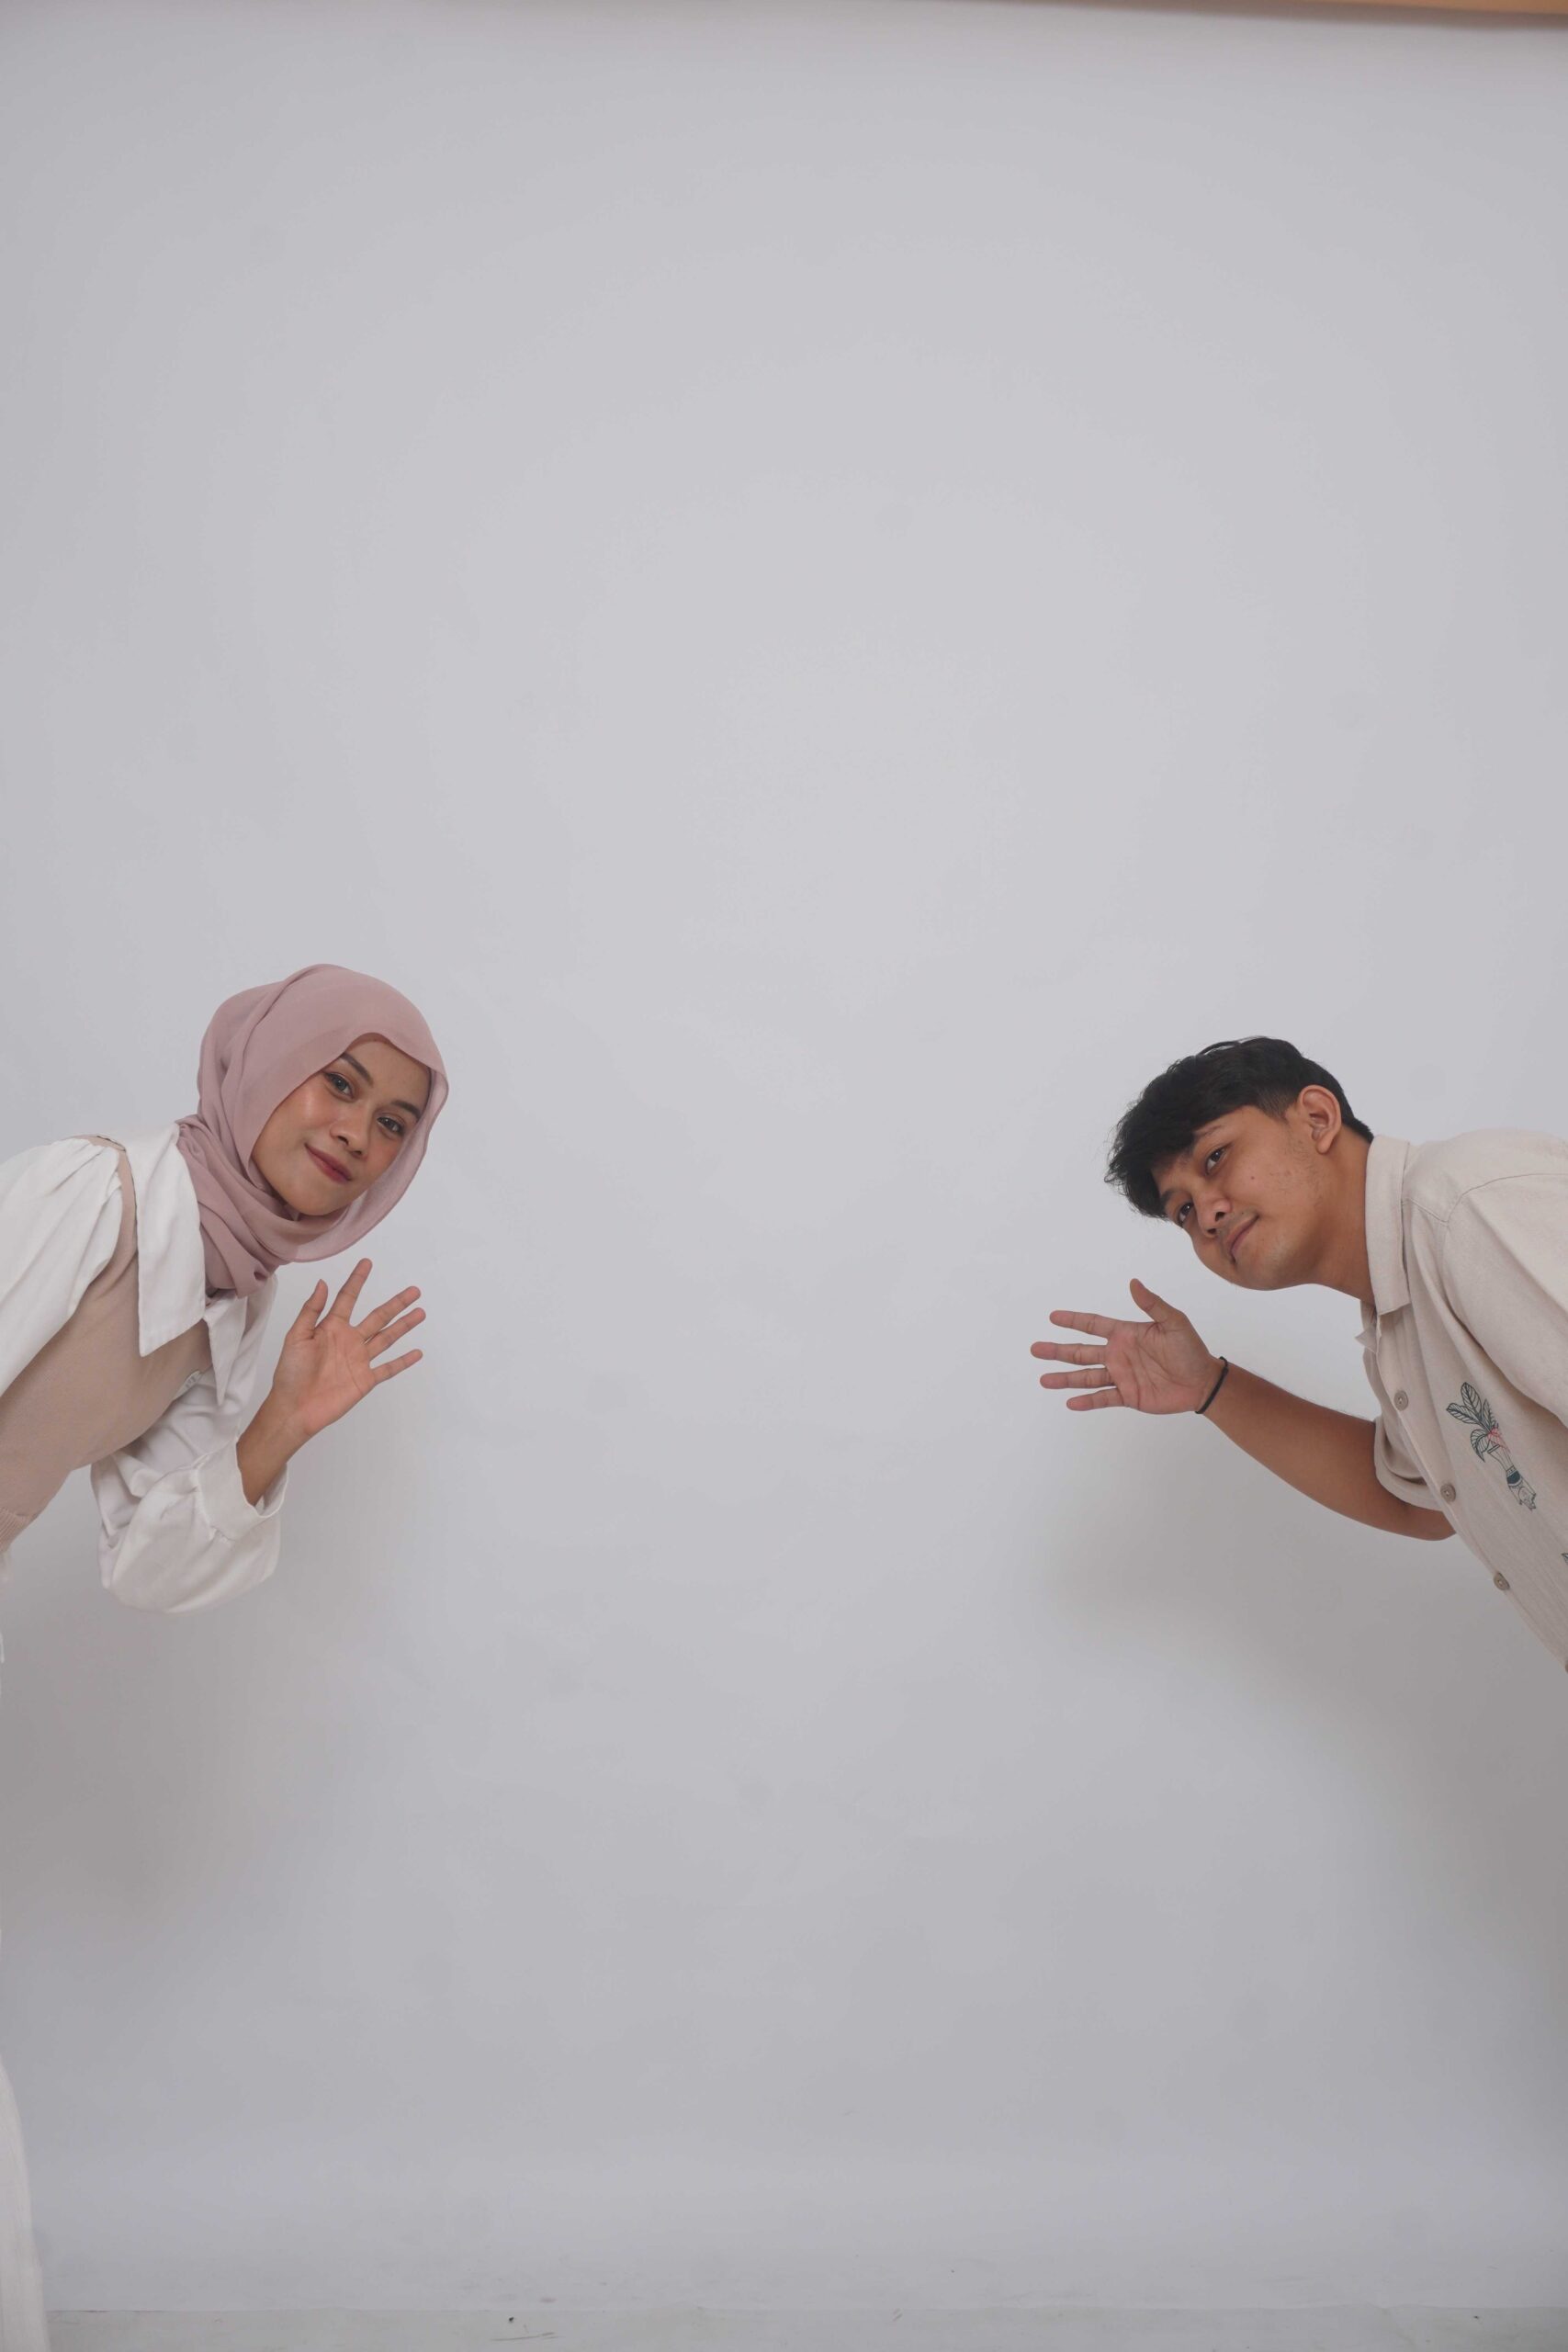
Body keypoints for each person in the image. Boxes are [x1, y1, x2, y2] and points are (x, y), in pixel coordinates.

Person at [0, 963, 447, 2351]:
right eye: (340, 1082)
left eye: (393, 1121)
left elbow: (151, 1562)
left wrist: (278, 1431)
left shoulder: (231, 1304)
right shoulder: (94, 1194)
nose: (357, 1133)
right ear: (265, 1064)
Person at [1032, 1035, 1568, 1675]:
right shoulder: (1397, 1315)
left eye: (1215, 1158)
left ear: (1316, 1118)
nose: (1206, 1215)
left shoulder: (1460, 1207)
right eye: (1183, 1212)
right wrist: (1209, 1388)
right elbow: (1418, 1503)